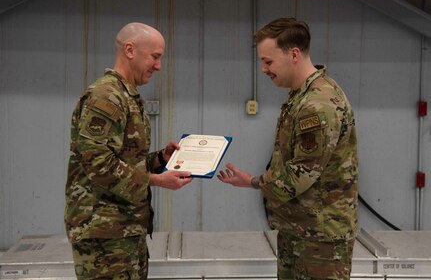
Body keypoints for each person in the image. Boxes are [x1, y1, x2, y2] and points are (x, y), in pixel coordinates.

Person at [217, 17, 358, 280]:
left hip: (320, 241)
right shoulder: (301, 95)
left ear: (293, 54)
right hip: (301, 231)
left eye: (268, 61)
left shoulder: (317, 104)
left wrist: (253, 181)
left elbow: (299, 176)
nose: (263, 69)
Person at [64, 22, 193, 280]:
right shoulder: (106, 97)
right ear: (130, 50)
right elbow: (99, 165)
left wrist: (159, 160)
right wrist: (155, 180)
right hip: (103, 233)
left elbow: (124, 160)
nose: (158, 66)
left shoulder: (127, 96)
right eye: (155, 57)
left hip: (124, 229)